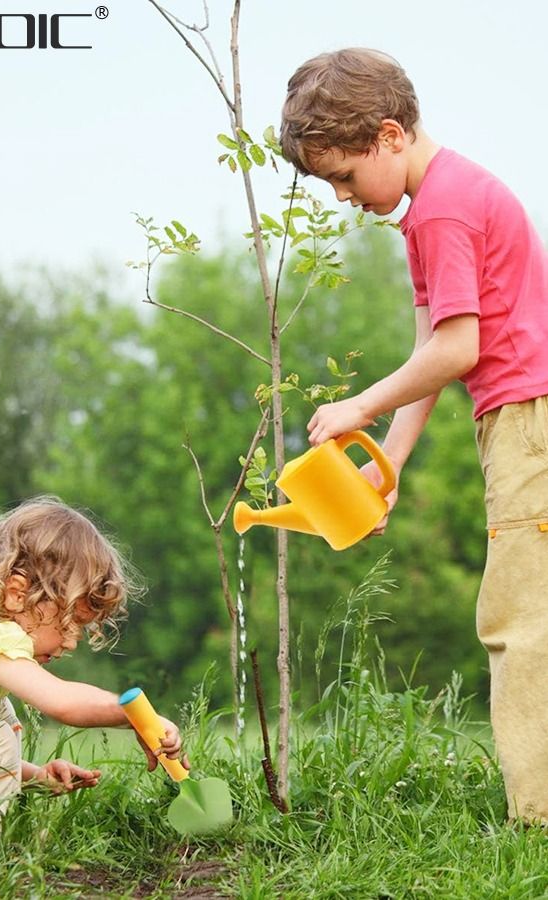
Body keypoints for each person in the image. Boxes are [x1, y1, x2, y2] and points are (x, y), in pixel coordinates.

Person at [280, 48, 548, 824]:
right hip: (520, 415)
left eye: (344, 177)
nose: (341, 197)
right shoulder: (430, 212)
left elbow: (459, 351)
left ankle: (536, 820)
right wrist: (388, 462)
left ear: (389, 136)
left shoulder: (444, 210)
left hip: (528, 419)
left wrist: (359, 407)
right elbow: (431, 354)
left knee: (521, 619)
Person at [0, 497, 188, 873]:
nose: (71, 642)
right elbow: (62, 702)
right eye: (71, 623)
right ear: (18, 594)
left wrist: (32, 776)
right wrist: (137, 717)